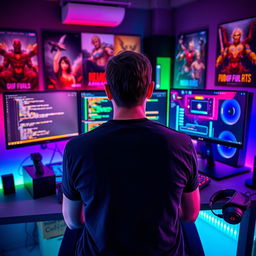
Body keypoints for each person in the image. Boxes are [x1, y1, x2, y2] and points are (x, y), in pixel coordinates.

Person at [61, 51, 200, 256]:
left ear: (107, 92)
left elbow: (73, 222)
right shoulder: (182, 144)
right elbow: (190, 214)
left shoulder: (77, 149)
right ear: (150, 90)